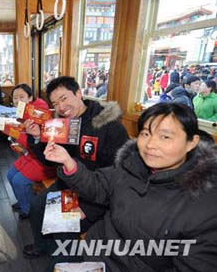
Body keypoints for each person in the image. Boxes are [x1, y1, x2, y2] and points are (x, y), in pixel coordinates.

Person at [44, 102, 217, 271]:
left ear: (192, 142)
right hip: (94, 250)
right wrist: (68, 162)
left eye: (165, 136)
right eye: (146, 134)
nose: (150, 145)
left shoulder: (206, 207)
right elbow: (100, 185)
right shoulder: (131, 165)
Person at [22, 76, 129, 261]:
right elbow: (49, 162)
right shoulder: (61, 124)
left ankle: (64, 261)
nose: (61, 107)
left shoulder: (110, 127)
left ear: (79, 93)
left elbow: (119, 179)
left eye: (64, 98)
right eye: (55, 103)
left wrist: (88, 209)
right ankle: (43, 246)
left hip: (96, 197)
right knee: (37, 205)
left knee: (62, 226)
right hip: (68, 185)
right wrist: (38, 138)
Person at [6, 84, 57, 219]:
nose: (18, 100)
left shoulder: (39, 114)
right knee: (10, 175)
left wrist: (14, 132)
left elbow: (36, 144)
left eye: (22, 97)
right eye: (15, 98)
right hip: (30, 155)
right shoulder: (19, 114)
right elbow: (25, 144)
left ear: (30, 98)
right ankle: (23, 200)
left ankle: (28, 209)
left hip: (44, 160)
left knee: (19, 181)